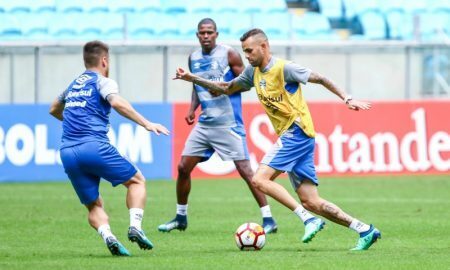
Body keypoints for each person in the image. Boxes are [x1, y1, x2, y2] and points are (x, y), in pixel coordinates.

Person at [173, 28, 381, 251]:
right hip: (299, 138)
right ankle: (364, 229)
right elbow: (226, 88)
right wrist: (192, 78)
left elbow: (320, 78)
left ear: (264, 46)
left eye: (250, 51)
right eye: (244, 52)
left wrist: (347, 98)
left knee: (259, 179)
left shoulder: (285, 68)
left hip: (296, 132)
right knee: (312, 201)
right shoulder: (252, 73)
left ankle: (308, 220)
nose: (247, 57)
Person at [49, 40, 170, 256]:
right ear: (105, 60)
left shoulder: (74, 85)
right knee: (137, 181)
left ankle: (109, 237)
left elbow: (54, 109)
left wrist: (74, 122)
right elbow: (117, 103)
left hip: (67, 151)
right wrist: (147, 123)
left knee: (94, 205)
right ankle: (135, 227)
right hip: (93, 146)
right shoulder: (103, 81)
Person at [158, 19, 278, 234]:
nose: (206, 36)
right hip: (205, 123)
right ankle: (180, 217)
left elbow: (245, 84)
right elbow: (197, 84)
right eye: (202, 33)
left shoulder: (229, 54)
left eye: (210, 32)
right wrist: (192, 108)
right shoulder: (193, 58)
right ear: (197, 35)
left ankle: (269, 219)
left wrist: (225, 89)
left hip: (228, 123)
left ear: (216, 34)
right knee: (183, 167)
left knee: (246, 171)